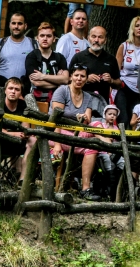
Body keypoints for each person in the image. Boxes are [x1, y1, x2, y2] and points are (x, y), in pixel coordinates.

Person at [49, 65, 99, 200]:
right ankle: (108, 151)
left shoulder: (87, 96)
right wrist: (57, 144)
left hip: (76, 133)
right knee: (93, 144)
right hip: (56, 132)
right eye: (76, 75)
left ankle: (86, 188)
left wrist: (84, 118)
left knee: (95, 132)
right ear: (71, 76)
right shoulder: (62, 91)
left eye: (83, 76)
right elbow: (55, 118)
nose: (79, 79)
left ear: (86, 79)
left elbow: (87, 122)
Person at [70, 26, 120, 117]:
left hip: (102, 104)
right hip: (80, 103)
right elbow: (68, 80)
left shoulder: (111, 59)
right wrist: (85, 79)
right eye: (93, 36)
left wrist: (111, 81)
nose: (96, 40)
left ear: (105, 40)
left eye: (100, 37)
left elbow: (119, 84)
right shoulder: (79, 57)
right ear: (88, 38)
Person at [23, 21, 68, 111]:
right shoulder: (32, 57)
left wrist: (42, 76)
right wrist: (58, 82)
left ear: (54, 39)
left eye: (49, 36)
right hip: (35, 102)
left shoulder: (60, 57)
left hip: (56, 102)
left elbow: (66, 80)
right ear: (37, 38)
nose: (45, 38)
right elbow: (37, 83)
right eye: (42, 35)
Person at [0, 77, 35, 184]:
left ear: (20, 93)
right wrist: (14, 133)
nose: (13, 91)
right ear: (5, 90)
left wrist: (25, 134)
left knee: (33, 140)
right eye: (10, 88)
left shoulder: (23, 105)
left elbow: (25, 127)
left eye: (17, 89)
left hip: (18, 142)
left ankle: (22, 180)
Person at [0, 12, 34, 81]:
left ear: (25, 26)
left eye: (20, 24)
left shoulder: (33, 44)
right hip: (2, 85)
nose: (16, 26)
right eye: (13, 23)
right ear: (9, 25)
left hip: (25, 86)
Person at [115, 18, 140, 126]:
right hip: (125, 87)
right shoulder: (124, 46)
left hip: (139, 89)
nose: (139, 28)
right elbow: (115, 70)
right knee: (124, 120)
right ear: (132, 29)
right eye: (137, 26)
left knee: (136, 122)